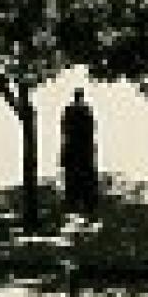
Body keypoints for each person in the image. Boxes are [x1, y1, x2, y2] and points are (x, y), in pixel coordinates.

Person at [60, 88, 100, 217]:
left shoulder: (70, 111)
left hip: (76, 149)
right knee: (83, 179)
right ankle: (85, 206)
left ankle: (75, 204)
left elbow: (64, 130)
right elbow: (91, 129)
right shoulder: (85, 111)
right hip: (83, 150)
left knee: (73, 179)